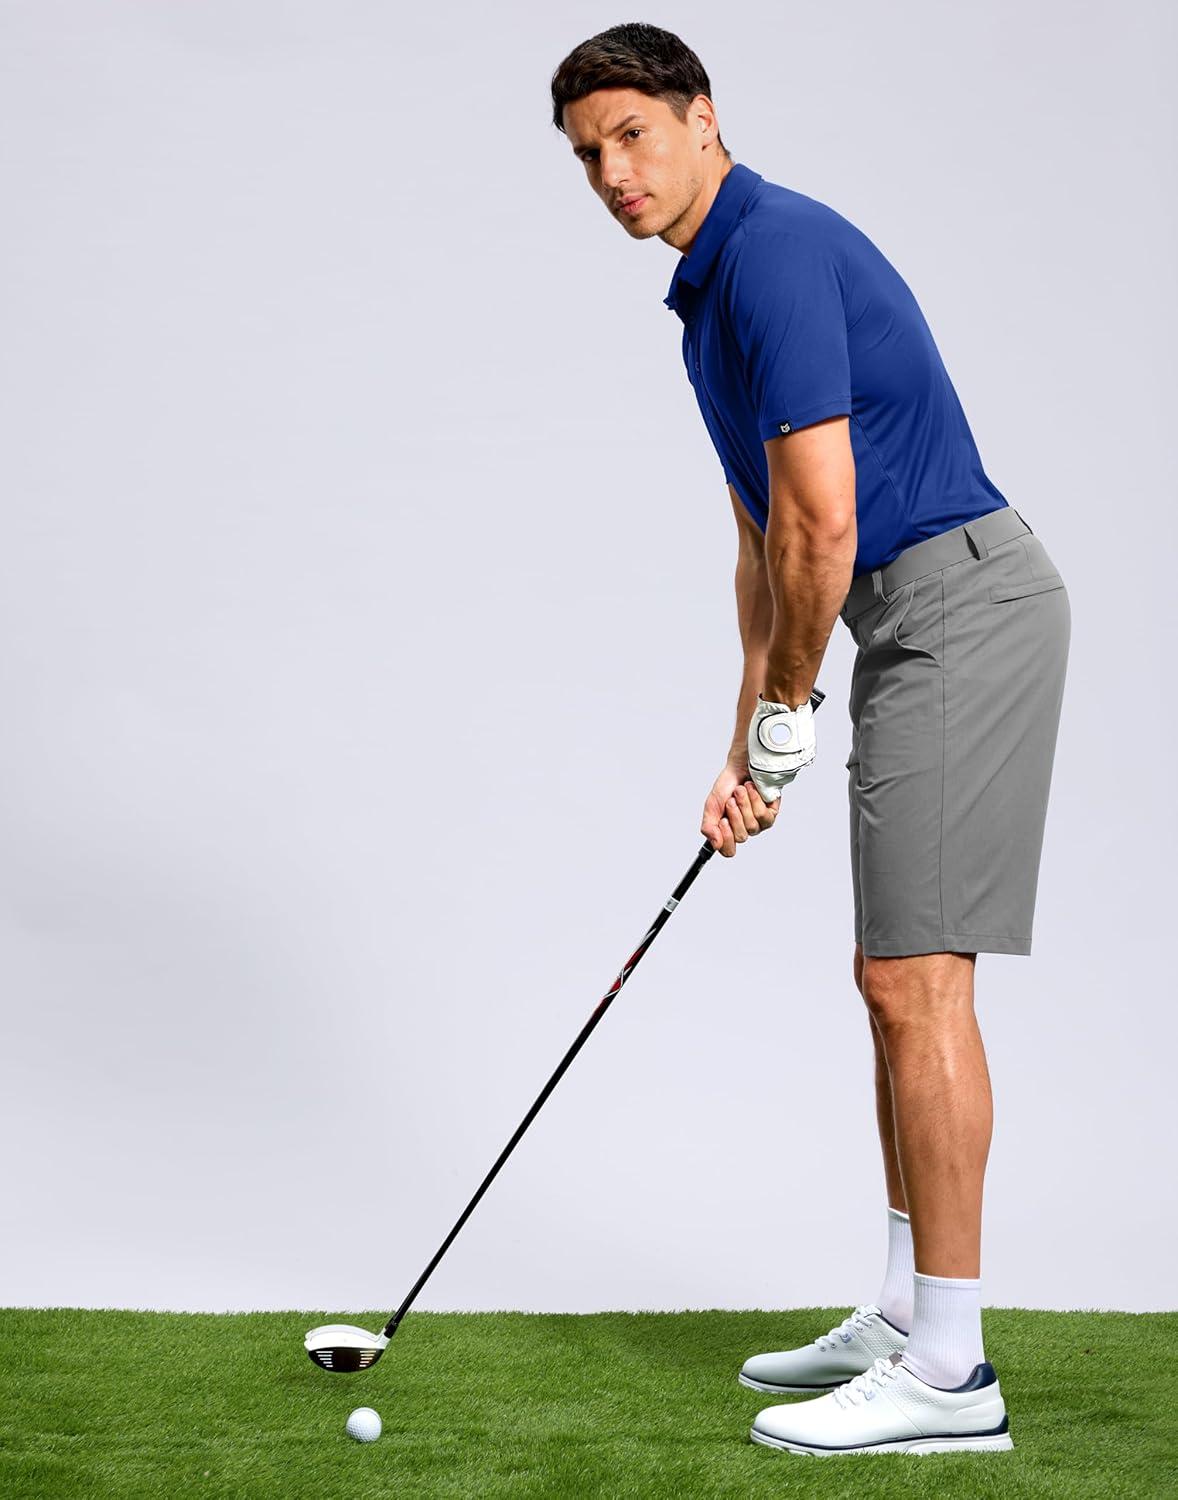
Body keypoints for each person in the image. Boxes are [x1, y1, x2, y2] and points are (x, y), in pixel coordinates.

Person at [551, 22, 1070, 1459]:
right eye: (586, 155)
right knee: (885, 978)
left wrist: (789, 714)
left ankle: (950, 1375)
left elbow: (827, 524)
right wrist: (745, 741)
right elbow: (763, 538)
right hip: (902, 622)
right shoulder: (704, 296)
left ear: (702, 118)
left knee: (918, 982)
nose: (613, 172)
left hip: (961, 609)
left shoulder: (772, 250)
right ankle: (908, 1313)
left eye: (633, 134)